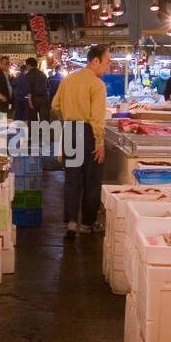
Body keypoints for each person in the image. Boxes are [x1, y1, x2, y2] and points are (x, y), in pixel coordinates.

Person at [52, 44, 110, 237]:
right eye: (107, 62)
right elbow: (97, 118)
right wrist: (99, 142)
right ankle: (87, 224)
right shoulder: (97, 84)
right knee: (91, 181)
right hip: (88, 134)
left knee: (72, 180)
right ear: (95, 61)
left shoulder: (68, 80)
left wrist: (69, 117)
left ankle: (70, 222)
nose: (108, 67)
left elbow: (55, 106)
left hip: (70, 131)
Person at [22, 56, 50, 124]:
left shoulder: (28, 75)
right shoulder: (43, 74)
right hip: (44, 98)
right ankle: (45, 133)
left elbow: (29, 90)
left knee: (33, 119)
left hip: (34, 99)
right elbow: (48, 86)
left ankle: (34, 133)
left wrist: (30, 101)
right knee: (44, 119)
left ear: (28, 65)